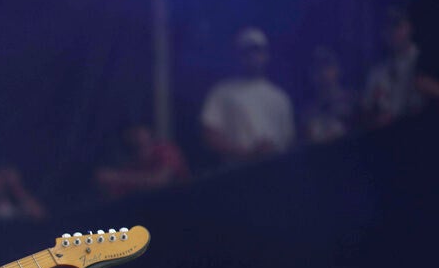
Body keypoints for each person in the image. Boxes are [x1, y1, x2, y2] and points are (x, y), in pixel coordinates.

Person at [201, 27, 296, 163]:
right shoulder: (222, 92)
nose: (252, 56)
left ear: (266, 54)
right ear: (238, 56)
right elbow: (210, 135)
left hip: (276, 172)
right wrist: (247, 153)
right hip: (238, 173)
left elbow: (289, 141)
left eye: (257, 50)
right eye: (247, 51)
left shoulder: (280, 97)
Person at [362, 7, 424, 128]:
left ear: (410, 27)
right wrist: (375, 114)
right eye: (388, 28)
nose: (393, 32)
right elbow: (365, 111)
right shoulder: (376, 72)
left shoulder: (426, 61)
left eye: (398, 26)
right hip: (389, 137)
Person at [94, 121, 189, 198]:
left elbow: (162, 180)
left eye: (138, 130)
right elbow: (115, 195)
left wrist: (117, 177)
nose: (135, 136)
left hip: (179, 205)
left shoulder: (166, 150)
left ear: (148, 132)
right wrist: (104, 183)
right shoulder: (131, 165)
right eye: (130, 132)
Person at [300, 46, 356, 144]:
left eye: (328, 67)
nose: (323, 73)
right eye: (317, 68)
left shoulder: (352, 101)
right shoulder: (307, 112)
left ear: (338, 69)